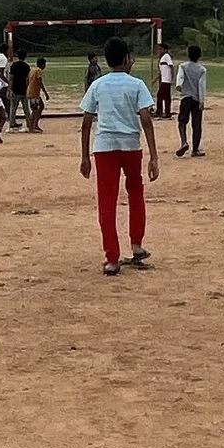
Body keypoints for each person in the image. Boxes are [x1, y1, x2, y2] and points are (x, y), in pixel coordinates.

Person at [78, 36, 159, 275]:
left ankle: (112, 258)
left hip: (104, 148)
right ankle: (136, 245)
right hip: (131, 147)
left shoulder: (98, 85)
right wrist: (154, 155)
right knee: (135, 193)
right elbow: (145, 119)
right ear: (126, 59)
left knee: (107, 201)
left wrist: (84, 156)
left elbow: (86, 122)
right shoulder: (136, 84)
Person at [175, 42, 208, 157]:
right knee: (197, 124)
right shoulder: (202, 70)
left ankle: (184, 142)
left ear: (188, 55)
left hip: (185, 98)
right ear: (199, 56)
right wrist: (202, 101)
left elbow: (180, 78)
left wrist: (179, 86)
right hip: (196, 99)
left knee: (182, 122)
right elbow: (201, 85)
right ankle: (195, 149)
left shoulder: (183, 66)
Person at [27, 57, 48, 131]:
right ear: (42, 65)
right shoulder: (39, 71)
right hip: (34, 94)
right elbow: (40, 82)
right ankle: (32, 126)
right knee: (35, 110)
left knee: (39, 107)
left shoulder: (32, 70)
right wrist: (45, 93)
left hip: (32, 92)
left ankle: (34, 124)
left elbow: (27, 81)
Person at [155, 47, 175, 119]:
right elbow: (161, 72)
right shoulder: (162, 58)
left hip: (166, 80)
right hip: (164, 79)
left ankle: (159, 112)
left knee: (160, 96)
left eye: (160, 49)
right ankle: (167, 112)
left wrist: (172, 78)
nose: (159, 51)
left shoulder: (166, 56)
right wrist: (155, 80)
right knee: (166, 97)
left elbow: (171, 67)